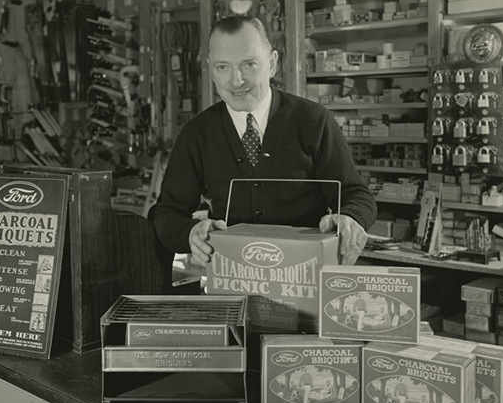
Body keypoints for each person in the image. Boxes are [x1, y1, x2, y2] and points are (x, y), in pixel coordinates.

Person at [150, 16, 376, 266]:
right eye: (223, 67)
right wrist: (190, 233)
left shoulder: (313, 120)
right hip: (232, 281)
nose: (236, 81)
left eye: (249, 64)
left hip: (306, 278)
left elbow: (357, 195)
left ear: (272, 64)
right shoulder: (196, 134)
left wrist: (352, 218)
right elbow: (165, 214)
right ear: (210, 68)